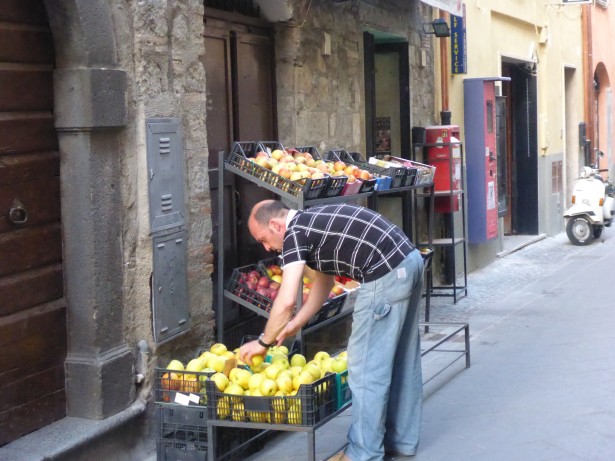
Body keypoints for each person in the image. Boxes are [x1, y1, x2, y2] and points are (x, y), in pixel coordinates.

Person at [239, 200, 424, 461]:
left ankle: (363, 453)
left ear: (275, 224)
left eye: (264, 239)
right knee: (403, 360)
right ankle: (401, 441)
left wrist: (264, 342)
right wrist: (296, 324)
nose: (267, 247)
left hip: (385, 274)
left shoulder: (294, 234)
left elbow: (287, 298)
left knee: (365, 368)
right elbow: (324, 283)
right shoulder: (311, 223)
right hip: (409, 261)